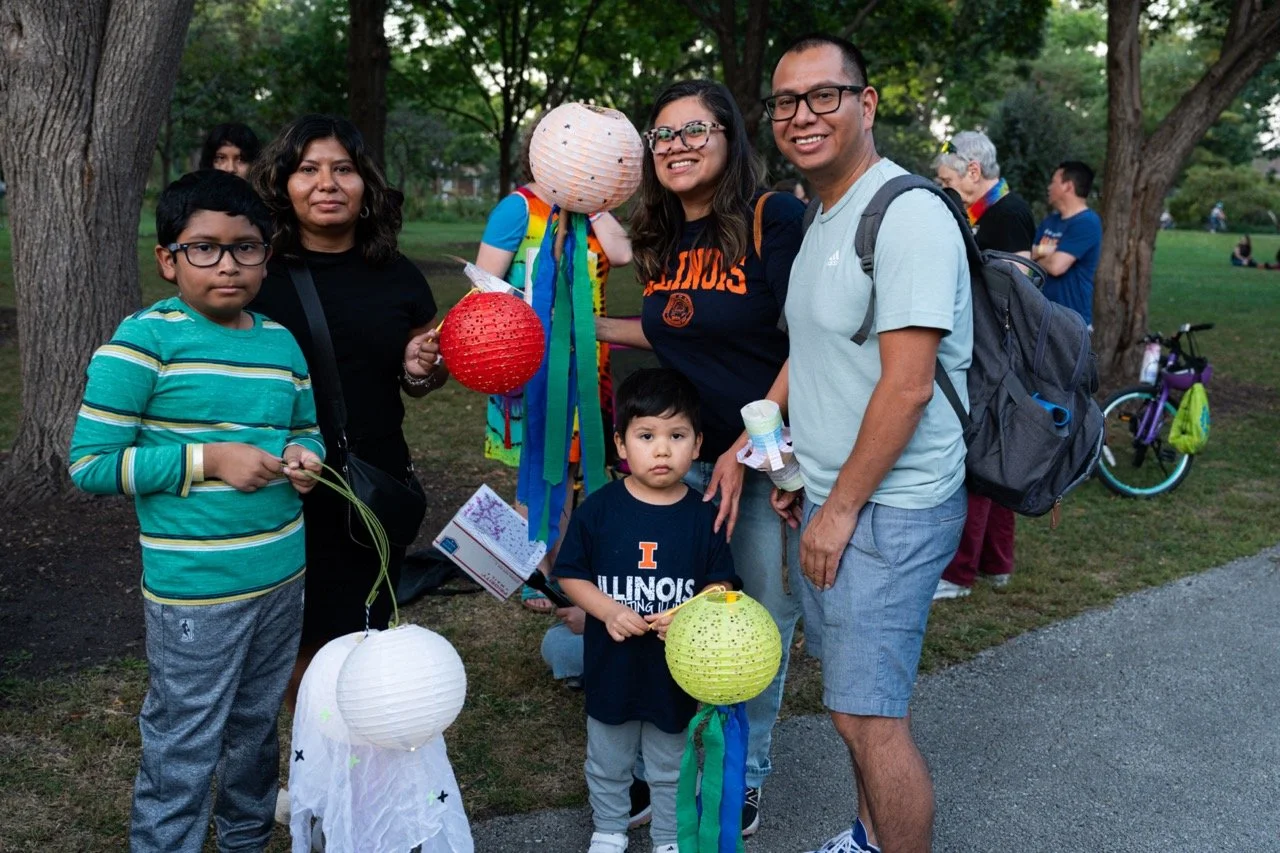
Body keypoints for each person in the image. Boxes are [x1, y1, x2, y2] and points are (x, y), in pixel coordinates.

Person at [67, 169, 326, 851]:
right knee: (185, 736)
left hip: (280, 579)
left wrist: (306, 460)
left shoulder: (279, 343)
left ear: (267, 255)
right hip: (196, 596)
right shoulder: (143, 342)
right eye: (204, 248)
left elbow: (304, 425)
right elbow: (91, 463)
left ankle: (244, 838)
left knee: (255, 726)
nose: (228, 265)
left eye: (246, 247)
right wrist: (208, 461)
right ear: (167, 257)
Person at [766, 34, 972, 853]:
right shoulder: (825, 213)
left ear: (867, 102)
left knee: (867, 715)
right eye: (787, 101)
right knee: (856, 711)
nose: (803, 114)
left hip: (888, 507)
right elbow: (821, 349)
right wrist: (798, 463)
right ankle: (867, 838)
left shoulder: (907, 212)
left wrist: (839, 506)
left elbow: (909, 384)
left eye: (825, 95)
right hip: (835, 494)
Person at [594, 78, 806, 836]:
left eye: (695, 130)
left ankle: (744, 775)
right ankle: (671, 764)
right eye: (664, 135)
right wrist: (581, 326)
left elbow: (812, 332)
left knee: (749, 618)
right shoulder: (662, 238)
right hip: (677, 460)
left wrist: (747, 448)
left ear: (729, 138)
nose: (677, 146)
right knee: (668, 617)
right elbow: (675, 326)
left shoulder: (771, 217)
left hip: (760, 465)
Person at [248, 115, 448, 710]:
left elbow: (420, 380)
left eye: (343, 169)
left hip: (371, 480)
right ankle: (305, 770)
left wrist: (420, 367)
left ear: (366, 185)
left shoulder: (399, 276)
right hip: (283, 482)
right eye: (308, 169)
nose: (326, 183)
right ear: (283, 183)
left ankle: (360, 764)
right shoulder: (256, 274)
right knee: (296, 642)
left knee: (366, 637)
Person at [553, 368, 739, 853]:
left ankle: (669, 837)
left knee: (671, 762)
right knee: (607, 760)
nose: (661, 449)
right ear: (621, 444)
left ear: (697, 445)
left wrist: (692, 612)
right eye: (646, 435)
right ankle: (610, 829)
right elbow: (570, 573)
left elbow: (722, 586)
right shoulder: (600, 509)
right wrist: (609, 611)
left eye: (676, 436)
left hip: (672, 672)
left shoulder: (704, 516)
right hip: (612, 666)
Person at [474, 114, 632, 613]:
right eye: (580, 154)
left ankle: (562, 565)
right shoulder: (518, 208)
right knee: (539, 466)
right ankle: (532, 571)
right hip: (530, 369)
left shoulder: (591, 211)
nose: (588, 163)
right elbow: (484, 288)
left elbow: (622, 255)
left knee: (568, 466)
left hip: (587, 370)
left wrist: (595, 199)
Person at [931, 131, 1034, 601]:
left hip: (997, 358)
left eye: (947, 178)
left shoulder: (1007, 214)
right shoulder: (990, 212)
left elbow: (1015, 289)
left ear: (973, 171)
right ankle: (997, 563)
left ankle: (959, 573)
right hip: (993, 353)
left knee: (978, 462)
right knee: (995, 459)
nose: (943, 186)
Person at [1031, 160, 1103, 329]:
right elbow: (1026, 255)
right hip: (1042, 318)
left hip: (1071, 325)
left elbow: (1057, 267)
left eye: (1053, 182)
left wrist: (1037, 255)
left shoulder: (1087, 222)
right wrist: (1047, 250)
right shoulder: (1050, 221)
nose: (1049, 187)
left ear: (1068, 186)